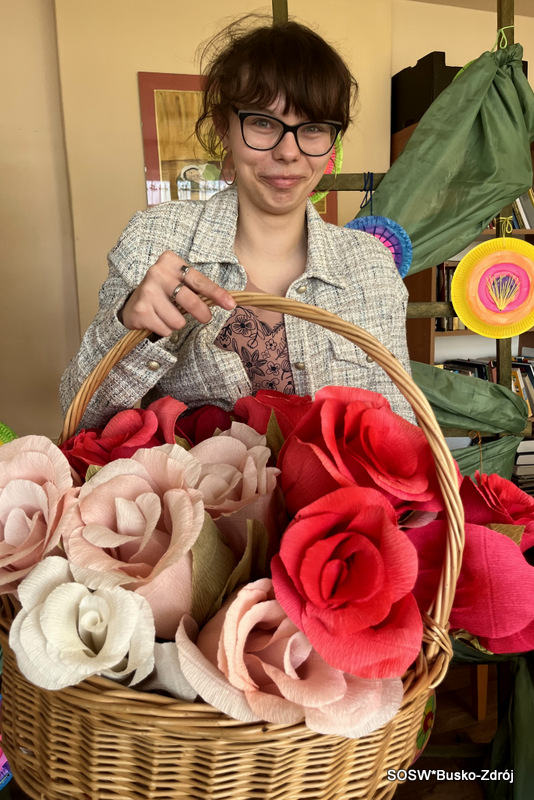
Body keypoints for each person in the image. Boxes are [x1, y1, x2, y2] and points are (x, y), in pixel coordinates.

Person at [60, 15, 414, 429]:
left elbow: (402, 429)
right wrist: (128, 327)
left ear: (332, 140)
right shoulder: (154, 240)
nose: (288, 152)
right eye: (263, 122)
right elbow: (79, 418)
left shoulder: (371, 267)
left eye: (313, 128)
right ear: (223, 128)